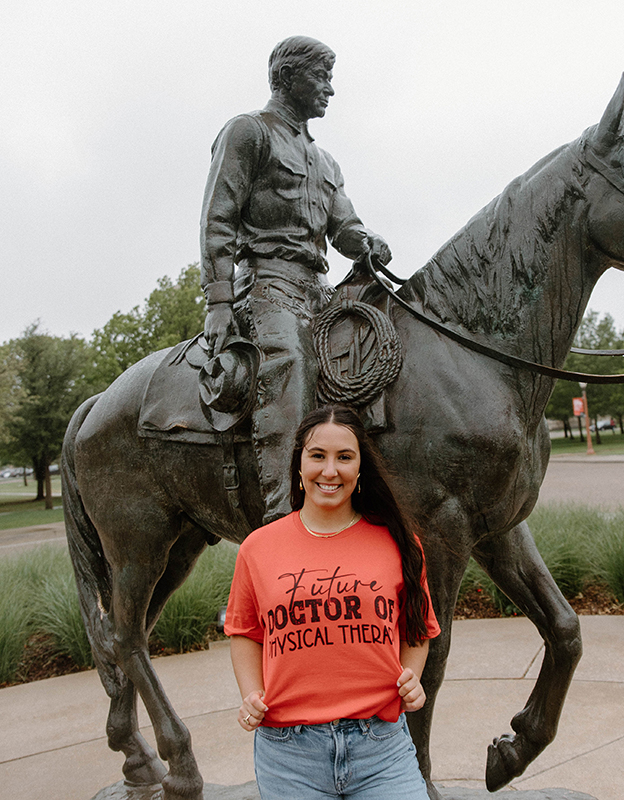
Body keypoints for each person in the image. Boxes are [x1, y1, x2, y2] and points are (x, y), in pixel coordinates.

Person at [200, 36, 392, 524]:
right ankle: (281, 518)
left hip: (318, 289)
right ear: (287, 78)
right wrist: (219, 301)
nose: (330, 89)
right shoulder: (248, 132)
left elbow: (344, 227)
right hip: (267, 285)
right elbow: (218, 219)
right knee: (292, 367)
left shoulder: (326, 162)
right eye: (321, 77)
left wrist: (366, 242)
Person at [224, 404, 440, 799]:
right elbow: (244, 631)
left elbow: (417, 626)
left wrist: (412, 676)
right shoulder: (258, 548)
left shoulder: (400, 543)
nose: (330, 470)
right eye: (317, 456)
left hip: (380, 747)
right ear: (299, 464)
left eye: (344, 457)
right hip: (289, 754)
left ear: (360, 469)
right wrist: (251, 694)